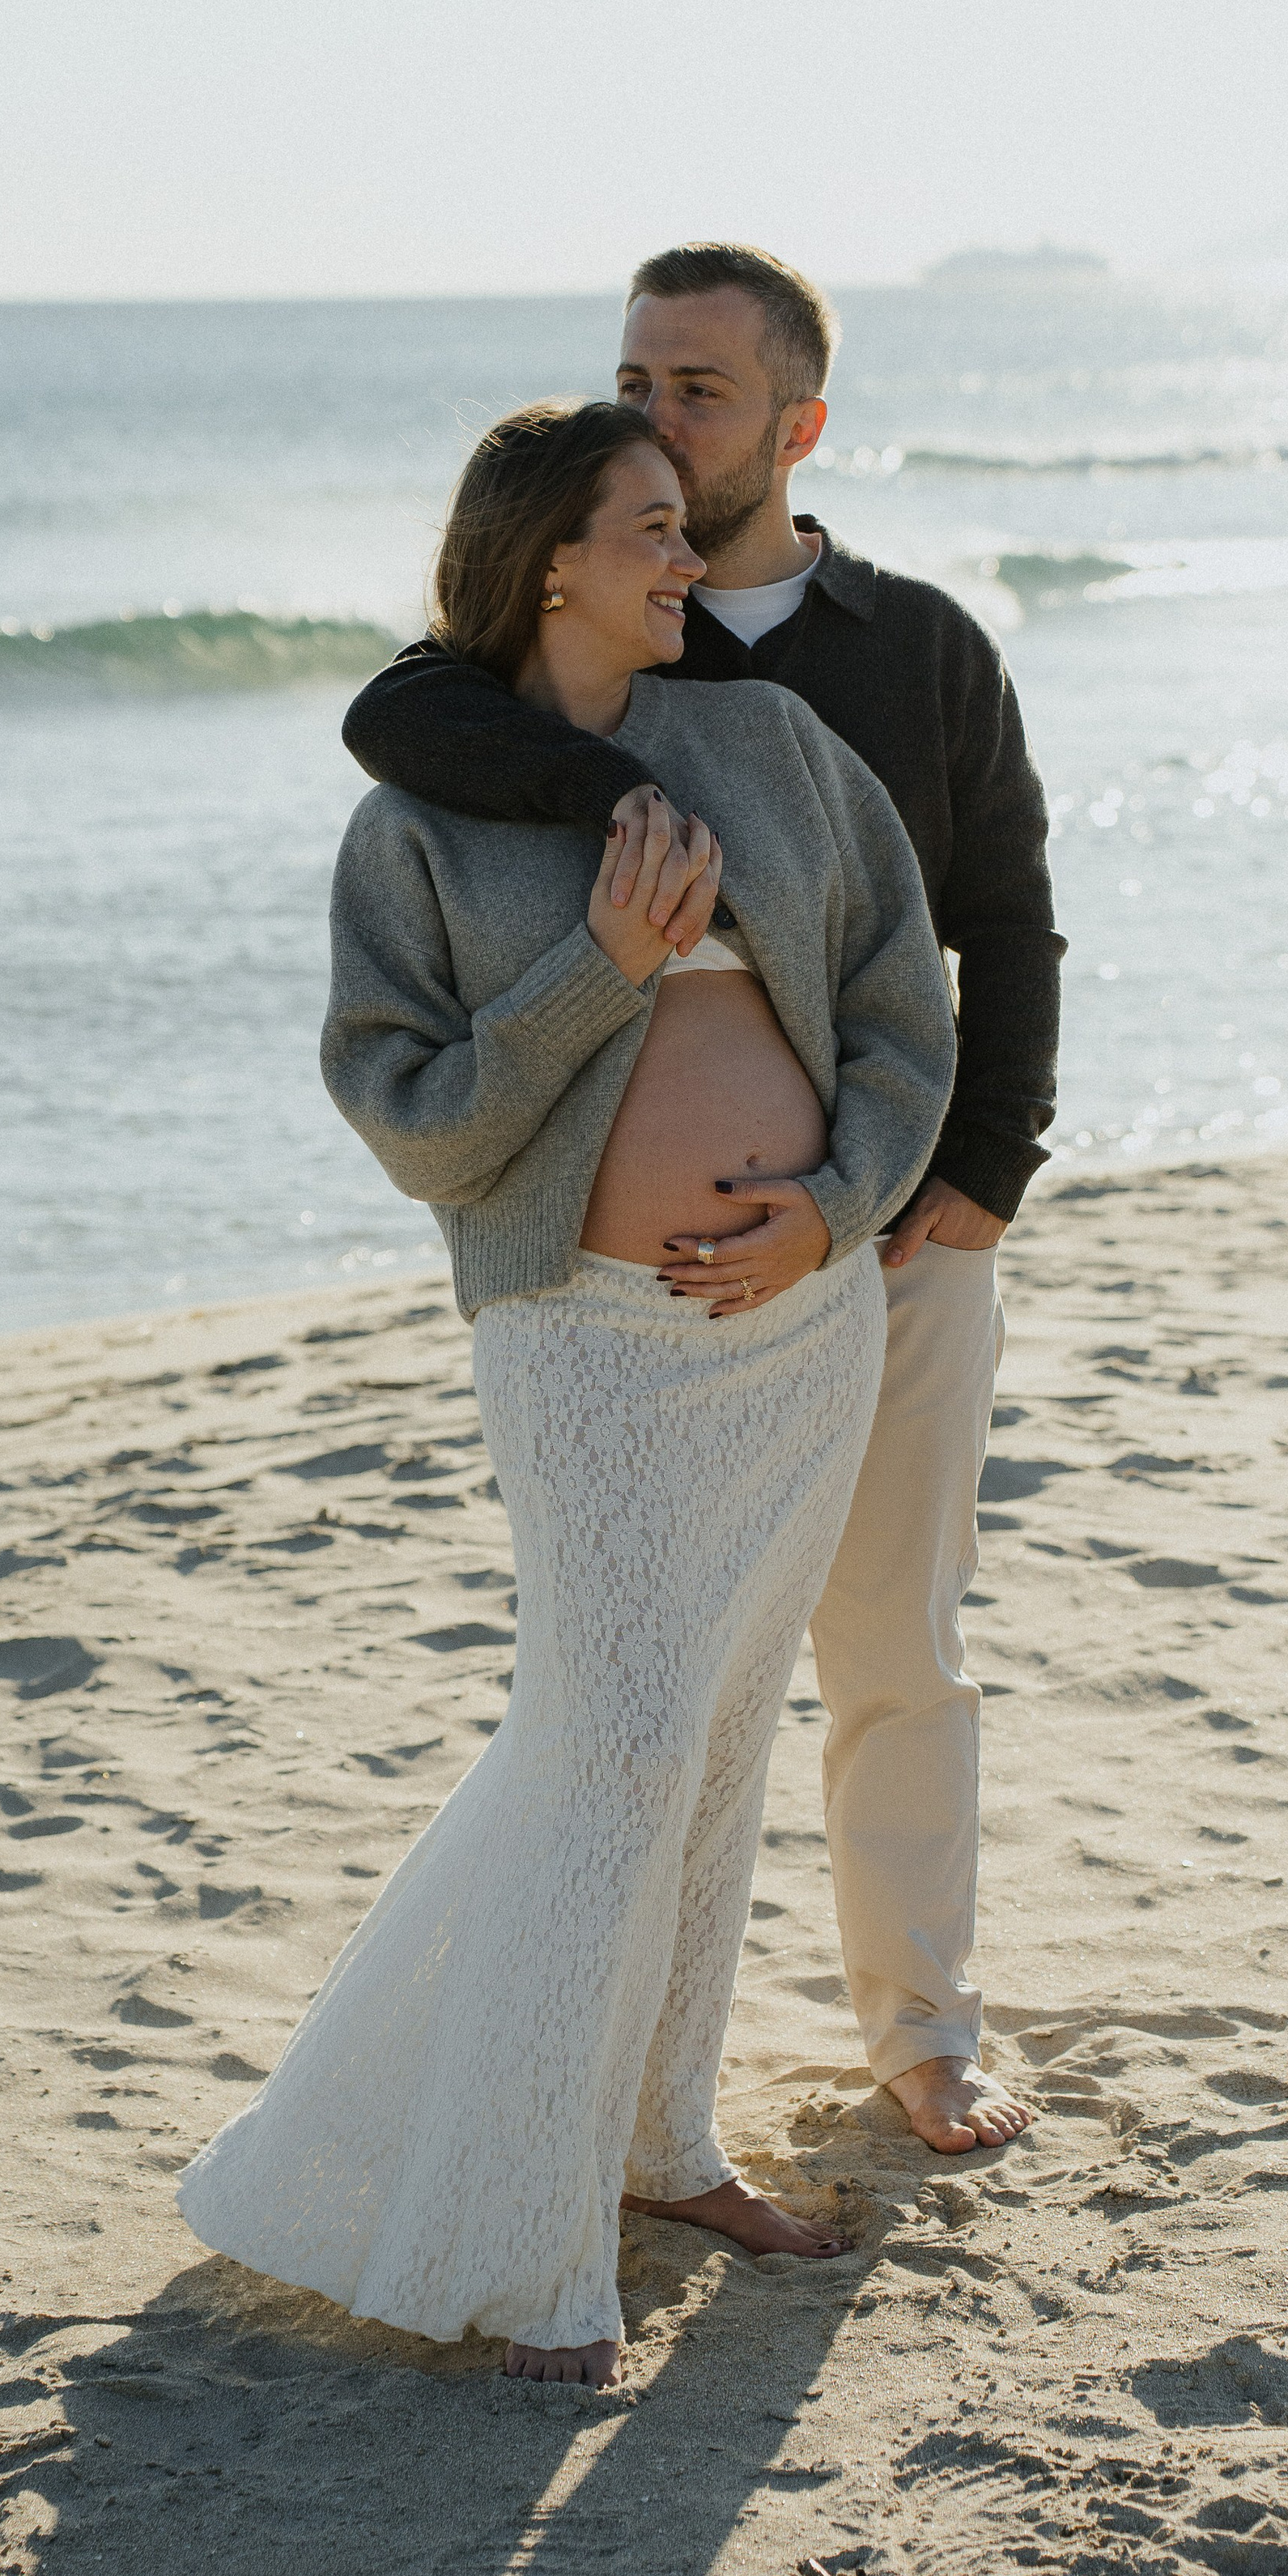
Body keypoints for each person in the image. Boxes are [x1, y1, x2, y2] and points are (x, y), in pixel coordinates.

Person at [178, 400, 956, 2387]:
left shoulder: (771, 752)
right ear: (546, 563)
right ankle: (522, 2246)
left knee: (711, 1751)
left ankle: (659, 2142)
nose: (687, 560)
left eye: (682, 528)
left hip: (798, 1329)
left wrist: (835, 1206)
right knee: (609, 1742)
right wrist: (599, 971)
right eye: (646, 533)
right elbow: (423, 1123)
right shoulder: (418, 827)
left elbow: (896, 1004)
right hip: (584, 1340)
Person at [339, 244, 1064, 2153]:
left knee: (881, 1643)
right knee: (650, 1709)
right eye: (636, 381)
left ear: (797, 425)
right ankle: (584, 2116)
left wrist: (962, 1182)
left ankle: (919, 2031)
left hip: (885, 1240)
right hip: (619, 1317)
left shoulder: (902, 656)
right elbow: (409, 727)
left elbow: (984, 935)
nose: (657, 417)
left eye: (700, 394)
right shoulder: (529, 696)